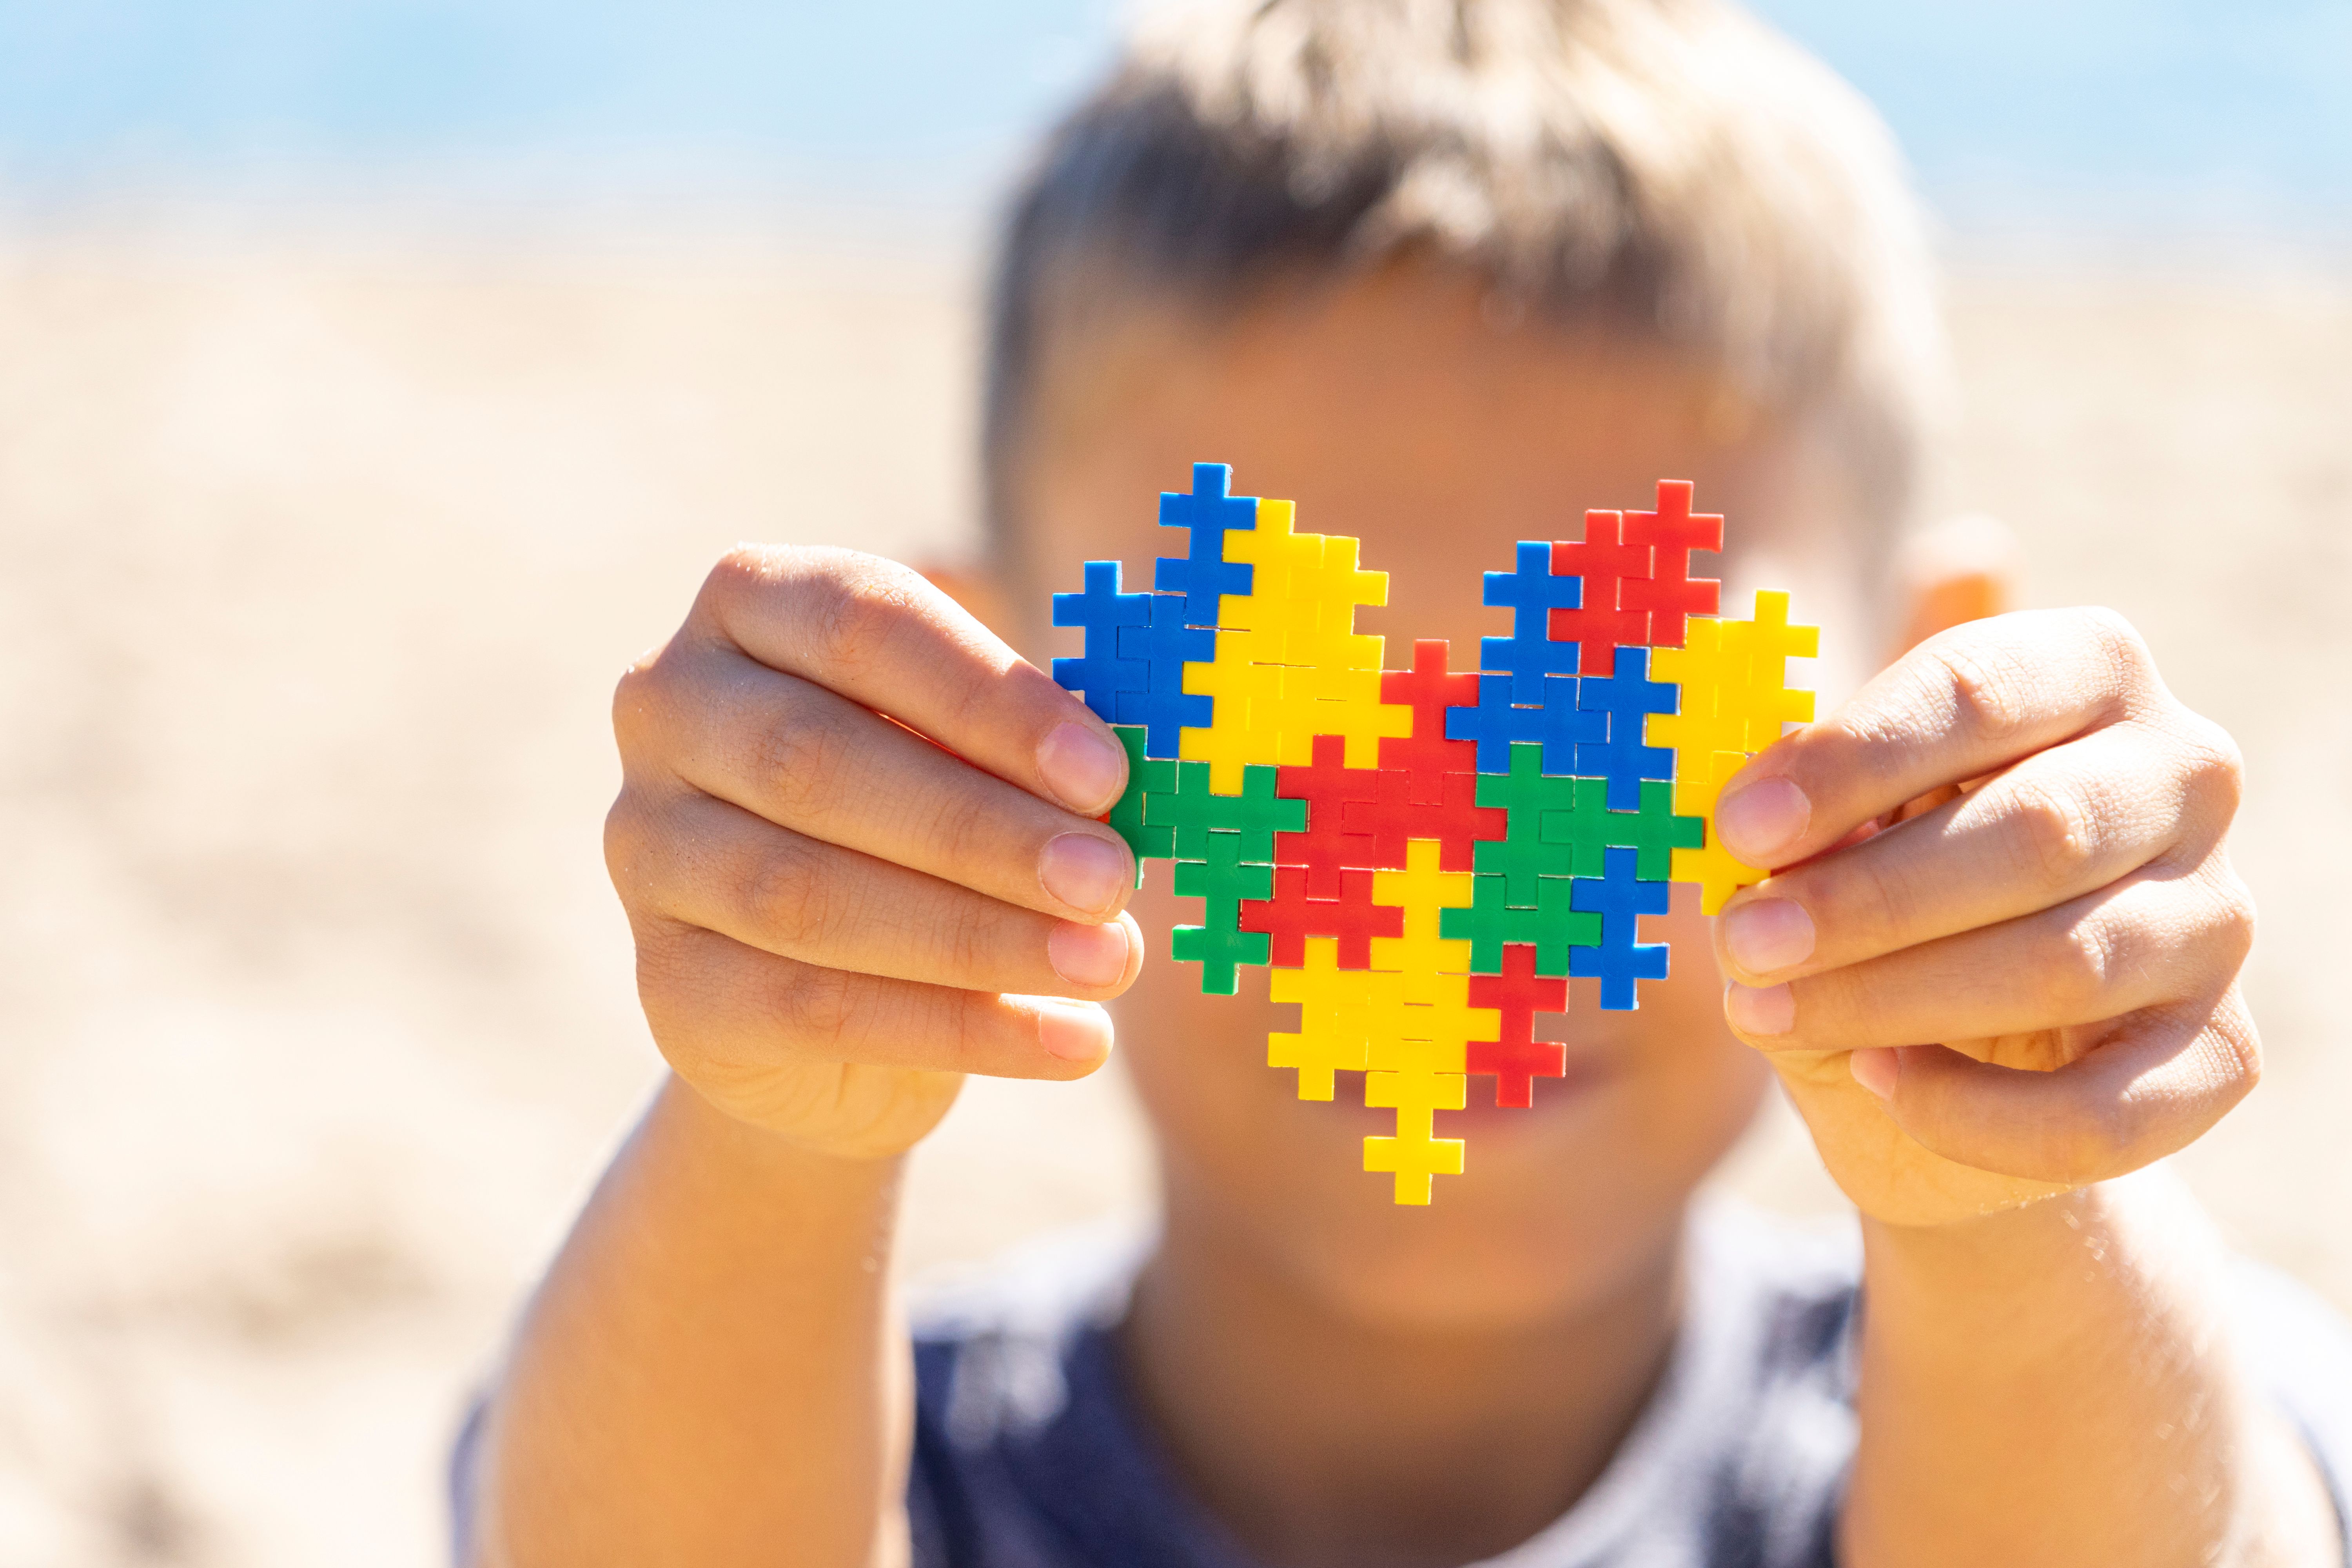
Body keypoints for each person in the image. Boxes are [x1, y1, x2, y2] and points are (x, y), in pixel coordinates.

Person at [455, 2, 2352, 1564]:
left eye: (1620, 726)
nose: (1446, 892)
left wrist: (2004, 1195)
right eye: (1265, 727)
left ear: (1921, 685)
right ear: (974, 702)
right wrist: (780, 1127)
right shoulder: (798, 1402)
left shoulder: (2057, 1382)